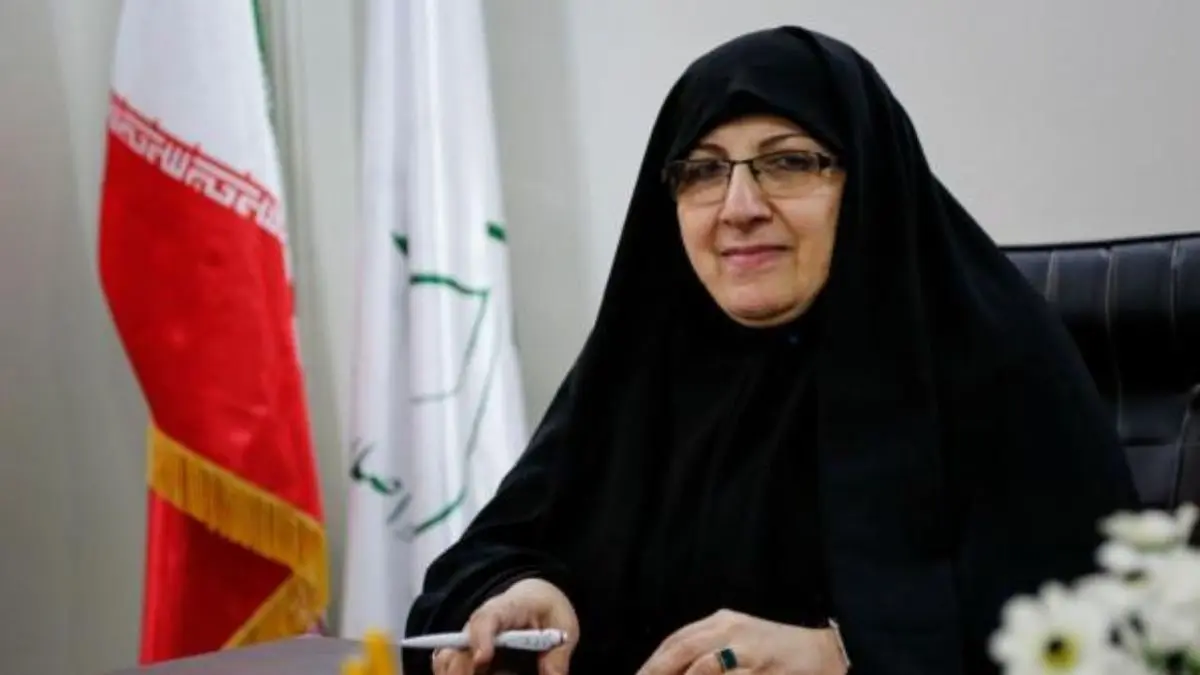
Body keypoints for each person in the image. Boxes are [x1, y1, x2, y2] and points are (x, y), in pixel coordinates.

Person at [402, 25, 1140, 675]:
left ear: (865, 177)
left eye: (788, 163)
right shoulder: (643, 361)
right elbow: (479, 561)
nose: (740, 208)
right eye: (702, 170)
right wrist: (524, 589)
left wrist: (846, 654)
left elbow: (1093, 623)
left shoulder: (992, 360)